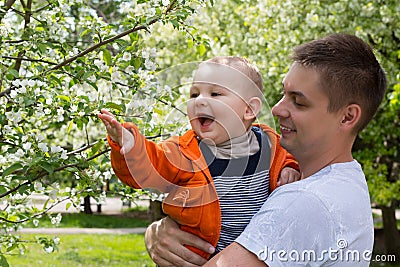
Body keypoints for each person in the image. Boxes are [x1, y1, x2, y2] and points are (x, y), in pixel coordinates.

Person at [144, 33, 388, 266]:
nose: (276, 109)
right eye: (284, 94)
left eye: (299, 102)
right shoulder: (346, 180)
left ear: (347, 117)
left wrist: (156, 238)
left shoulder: (304, 202)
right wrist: (163, 230)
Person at [98, 56, 300, 260]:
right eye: (194, 94)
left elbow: (288, 158)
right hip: (198, 258)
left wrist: (290, 169)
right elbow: (150, 167)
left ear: (249, 109)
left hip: (252, 257)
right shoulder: (184, 153)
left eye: (215, 93)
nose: (200, 100)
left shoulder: (271, 144)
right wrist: (131, 146)